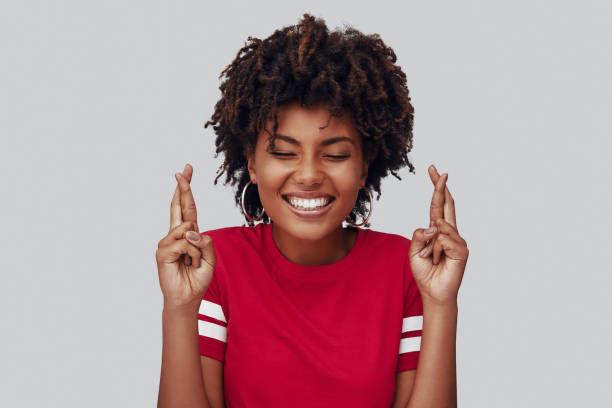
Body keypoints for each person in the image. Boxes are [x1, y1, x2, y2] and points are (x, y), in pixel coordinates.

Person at [156, 14, 469, 408]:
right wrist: (179, 308)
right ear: (252, 163)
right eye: (284, 152)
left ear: (364, 168)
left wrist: (441, 303)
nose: (308, 175)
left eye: (335, 154)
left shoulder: (407, 269)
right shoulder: (213, 263)